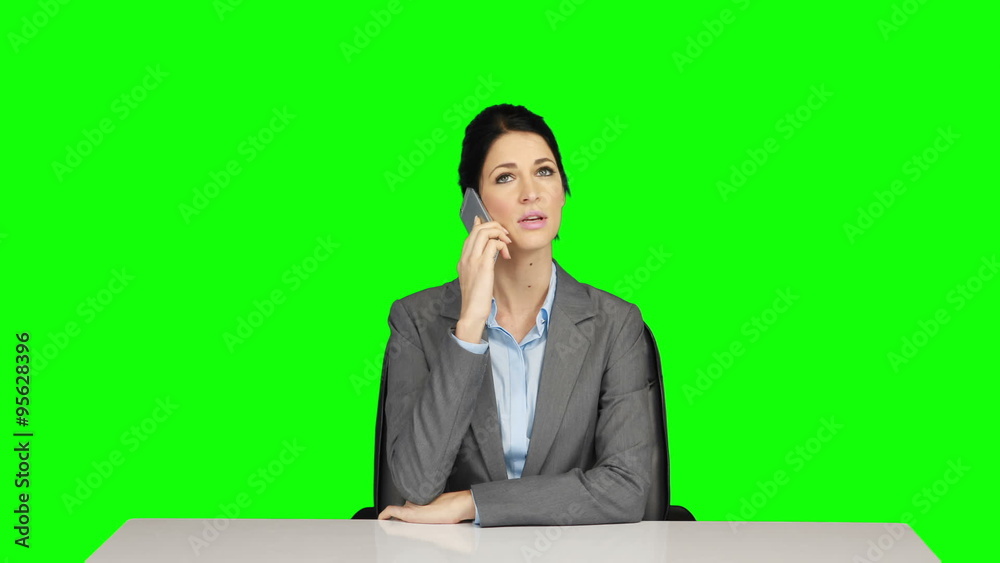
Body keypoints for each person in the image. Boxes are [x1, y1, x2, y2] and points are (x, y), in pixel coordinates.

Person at [377, 104, 657, 527]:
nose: (531, 193)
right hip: (452, 555)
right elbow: (415, 486)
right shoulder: (415, 321)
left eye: (544, 171)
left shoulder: (615, 324)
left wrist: (474, 504)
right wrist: (469, 326)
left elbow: (626, 489)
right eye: (505, 177)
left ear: (562, 189)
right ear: (473, 205)